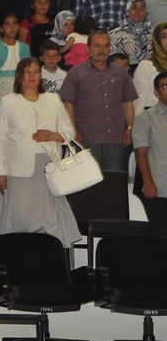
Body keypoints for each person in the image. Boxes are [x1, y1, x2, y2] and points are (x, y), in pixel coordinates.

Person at [0, 57, 80, 251]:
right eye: (27, 72)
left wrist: (53, 135)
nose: (32, 76)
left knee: (49, 219)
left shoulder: (53, 100)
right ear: (19, 76)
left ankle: (48, 257)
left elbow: (69, 131)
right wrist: (0, 172)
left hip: (48, 168)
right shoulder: (8, 101)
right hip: (17, 170)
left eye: (36, 71)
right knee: (19, 218)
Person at [60, 30, 138, 172]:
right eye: (97, 46)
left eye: (105, 46)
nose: (102, 50)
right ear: (88, 49)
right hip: (86, 137)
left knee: (112, 179)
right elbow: (68, 103)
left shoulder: (120, 72)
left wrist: (129, 128)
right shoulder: (76, 73)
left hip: (115, 137)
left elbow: (128, 102)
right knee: (89, 180)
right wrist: (73, 129)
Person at [134, 71, 167, 231]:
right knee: (159, 237)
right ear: (156, 92)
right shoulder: (145, 118)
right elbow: (141, 153)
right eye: (165, 86)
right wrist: (148, 182)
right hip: (159, 188)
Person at [0, 12, 29, 111]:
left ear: (18, 26)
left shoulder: (24, 47)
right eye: (7, 24)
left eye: (15, 24)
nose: (12, 28)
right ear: (1, 29)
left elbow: (26, 72)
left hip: (19, 87)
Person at [108, 0, 152, 70]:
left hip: (150, 72)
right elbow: (110, 61)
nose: (138, 12)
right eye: (134, 8)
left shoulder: (154, 34)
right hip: (124, 73)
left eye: (142, 8)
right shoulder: (114, 34)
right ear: (127, 10)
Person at [134, 23, 167, 113]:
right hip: (153, 115)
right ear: (157, 40)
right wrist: (139, 120)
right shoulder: (146, 65)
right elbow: (138, 101)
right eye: (164, 36)